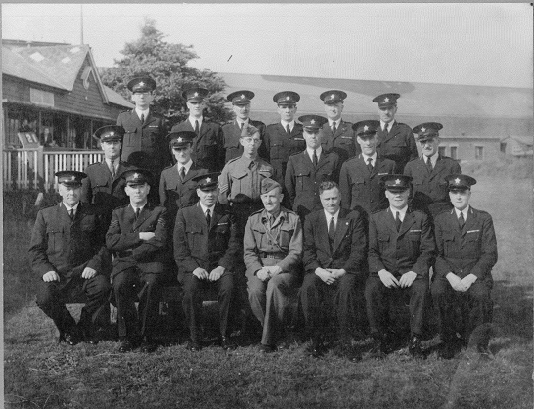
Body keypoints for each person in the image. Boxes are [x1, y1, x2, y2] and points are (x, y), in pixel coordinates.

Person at [29, 171, 111, 345]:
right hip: (57, 274)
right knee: (44, 297)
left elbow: (104, 245)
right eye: (67, 188)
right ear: (59, 190)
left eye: (75, 188)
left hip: (84, 273)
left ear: (81, 190)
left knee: (103, 287)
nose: (71, 193)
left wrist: (94, 264)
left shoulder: (94, 214)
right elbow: (35, 250)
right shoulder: (45, 215)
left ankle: (84, 326)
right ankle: (68, 328)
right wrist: (46, 270)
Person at [366, 174, 435, 358]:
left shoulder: (420, 218)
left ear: (409, 192)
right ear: (386, 194)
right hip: (385, 271)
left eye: (402, 191)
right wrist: (381, 272)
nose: (397, 195)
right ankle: (379, 339)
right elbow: (372, 251)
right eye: (393, 191)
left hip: (410, 270)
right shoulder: (376, 218)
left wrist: (415, 272)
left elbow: (427, 250)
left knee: (421, 288)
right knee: (371, 289)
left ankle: (415, 339)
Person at [431, 174, 497, 359]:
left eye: (462, 192)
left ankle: (479, 344)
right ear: (449, 195)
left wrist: (471, 277)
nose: (458, 196)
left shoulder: (483, 218)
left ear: (469, 193)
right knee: (438, 291)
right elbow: (436, 254)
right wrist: (450, 276)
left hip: (474, 274)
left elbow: (490, 253)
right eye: (454, 192)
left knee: (481, 294)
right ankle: (448, 340)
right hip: (448, 274)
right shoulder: (441, 219)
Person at [300, 181, 367, 359]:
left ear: (341, 197)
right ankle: (316, 340)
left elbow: (358, 250)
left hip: (344, 270)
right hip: (320, 270)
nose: (331, 203)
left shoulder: (353, 217)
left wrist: (342, 271)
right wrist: (318, 270)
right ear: (321, 199)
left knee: (346, 289)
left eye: (335, 198)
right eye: (327, 199)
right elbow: (307, 251)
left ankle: (345, 342)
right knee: (308, 288)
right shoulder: (312, 219)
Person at [174, 173, 241, 351]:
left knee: (229, 287)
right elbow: (180, 249)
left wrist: (221, 267)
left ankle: (225, 335)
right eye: (205, 191)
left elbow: (234, 246)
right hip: (194, 267)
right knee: (190, 290)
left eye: (213, 190)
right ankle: (195, 337)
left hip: (219, 266)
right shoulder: (185, 213)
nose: (209, 195)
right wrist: (194, 268)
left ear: (218, 191)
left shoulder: (227, 214)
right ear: (198, 192)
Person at [106, 169, 170, 353]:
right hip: (125, 264)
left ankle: (147, 335)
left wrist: (130, 250)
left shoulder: (159, 211)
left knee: (151, 284)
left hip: (149, 262)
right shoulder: (118, 213)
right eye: (132, 187)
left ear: (149, 189)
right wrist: (140, 235)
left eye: (141, 187)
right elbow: (111, 241)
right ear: (126, 191)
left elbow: (159, 240)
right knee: (120, 284)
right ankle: (127, 336)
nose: (137, 191)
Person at [243, 178, 302, 352]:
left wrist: (278, 268)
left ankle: (267, 341)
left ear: (281, 197)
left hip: (283, 267)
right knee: (254, 291)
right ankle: (278, 331)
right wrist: (257, 270)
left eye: (273, 197)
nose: (268, 201)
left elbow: (296, 252)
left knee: (274, 286)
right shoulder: (253, 220)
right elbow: (249, 252)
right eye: (265, 196)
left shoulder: (293, 219)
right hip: (260, 265)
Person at [218, 124, 274, 239]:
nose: (252, 144)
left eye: (255, 140)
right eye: (249, 140)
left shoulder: (268, 168)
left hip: (261, 215)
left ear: (259, 143)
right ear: (242, 141)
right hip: (237, 216)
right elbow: (222, 198)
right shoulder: (231, 167)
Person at [285, 114, 339, 220]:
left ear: (322, 133)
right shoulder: (294, 160)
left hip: (326, 215)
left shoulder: (332, 159)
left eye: (316, 132)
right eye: (309, 132)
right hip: (302, 214)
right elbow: (289, 191)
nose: (313, 136)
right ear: (303, 134)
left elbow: (337, 187)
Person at [116, 75, 169, 183]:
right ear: (132, 97)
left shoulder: (159, 120)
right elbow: (117, 145)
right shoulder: (123, 118)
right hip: (128, 171)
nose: (142, 97)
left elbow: (165, 151)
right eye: (138, 93)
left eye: (145, 93)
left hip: (153, 173)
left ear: (152, 96)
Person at [339, 120, 397, 217]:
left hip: (381, 220)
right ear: (358, 140)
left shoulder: (389, 165)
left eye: (371, 138)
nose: (368, 143)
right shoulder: (348, 166)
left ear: (377, 139)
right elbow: (345, 200)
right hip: (358, 221)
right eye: (364, 139)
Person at [404, 122, 462, 217]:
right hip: (420, 219)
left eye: (430, 141)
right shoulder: (411, 167)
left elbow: (458, 196)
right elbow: (408, 197)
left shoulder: (451, 165)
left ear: (438, 141)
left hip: (445, 218)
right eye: (423, 142)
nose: (426, 145)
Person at [81, 125, 134, 219]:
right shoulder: (91, 171)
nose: (112, 146)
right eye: (108, 143)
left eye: (115, 142)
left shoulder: (130, 170)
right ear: (102, 145)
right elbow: (85, 203)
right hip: (99, 226)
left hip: (123, 224)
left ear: (120, 145)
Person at [170, 87, 225, 172]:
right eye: (193, 103)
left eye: (200, 102)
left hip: (208, 177)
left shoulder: (214, 128)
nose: (197, 106)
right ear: (188, 104)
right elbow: (174, 157)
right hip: (186, 176)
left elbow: (220, 157)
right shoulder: (177, 129)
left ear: (204, 104)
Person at [159, 131, 208, 222]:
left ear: (191, 148)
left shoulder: (202, 172)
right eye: (177, 149)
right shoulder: (166, 174)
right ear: (172, 151)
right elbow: (163, 203)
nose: (181, 153)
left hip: (195, 222)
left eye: (185, 148)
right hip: (173, 223)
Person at [263, 91, 305, 184]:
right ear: (278, 109)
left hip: (298, 178)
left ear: (295, 109)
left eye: (290, 107)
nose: (287, 110)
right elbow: (264, 156)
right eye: (284, 107)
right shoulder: (270, 130)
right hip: (276, 180)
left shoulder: (303, 130)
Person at [373, 93, 418, 173]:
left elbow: (413, 160)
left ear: (395, 109)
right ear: (378, 111)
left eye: (390, 108)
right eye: (383, 109)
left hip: (399, 180)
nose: (386, 112)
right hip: (376, 179)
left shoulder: (405, 131)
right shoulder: (372, 130)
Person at [222, 90, 267, 163]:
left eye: (246, 105)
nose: (244, 109)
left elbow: (265, 153)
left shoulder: (260, 127)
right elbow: (220, 156)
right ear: (233, 108)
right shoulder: (225, 129)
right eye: (240, 105)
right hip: (233, 172)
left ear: (250, 106)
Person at [320, 90, 359, 164]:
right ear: (325, 108)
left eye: (336, 105)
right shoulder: (319, 129)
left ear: (342, 107)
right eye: (330, 105)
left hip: (344, 173)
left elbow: (358, 156)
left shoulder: (352, 129)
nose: (333, 109)